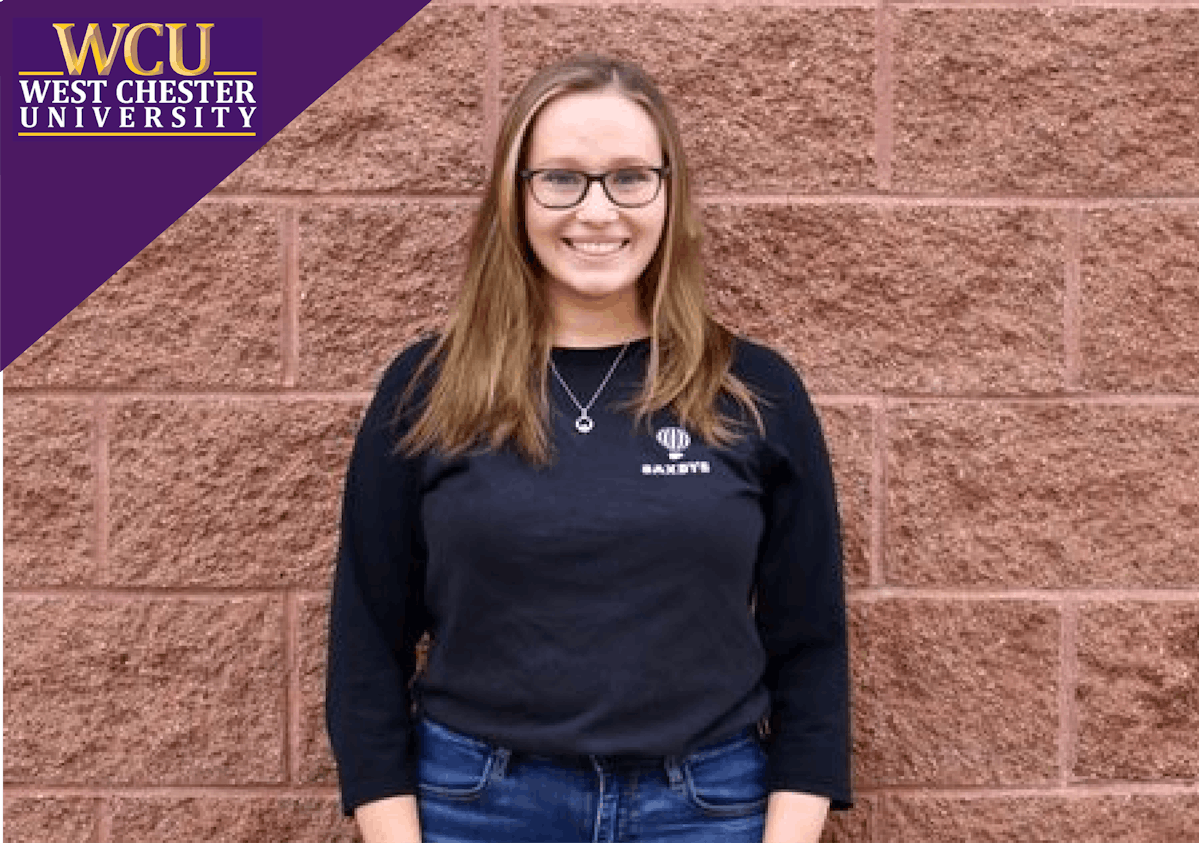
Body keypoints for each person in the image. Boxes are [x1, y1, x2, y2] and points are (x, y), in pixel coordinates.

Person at [326, 55, 851, 843]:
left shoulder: (753, 389)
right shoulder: (429, 386)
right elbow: (367, 642)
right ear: (518, 195)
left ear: (669, 193)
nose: (598, 211)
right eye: (562, 179)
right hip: (478, 806)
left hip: (706, 808)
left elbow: (811, 648)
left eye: (629, 178)